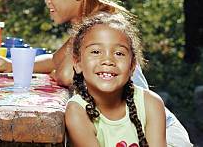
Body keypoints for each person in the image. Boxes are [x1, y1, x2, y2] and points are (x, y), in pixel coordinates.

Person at [0, 0, 192, 146]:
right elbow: (56, 60)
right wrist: (11, 65)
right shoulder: (87, 25)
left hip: (155, 132)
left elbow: (66, 73)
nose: (47, 0)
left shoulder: (101, 26)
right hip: (118, 129)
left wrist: (60, 70)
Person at [66, 12, 166, 147]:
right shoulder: (77, 111)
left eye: (119, 53)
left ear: (132, 66)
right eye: (96, 52)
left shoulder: (151, 104)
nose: (107, 61)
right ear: (78, 63)